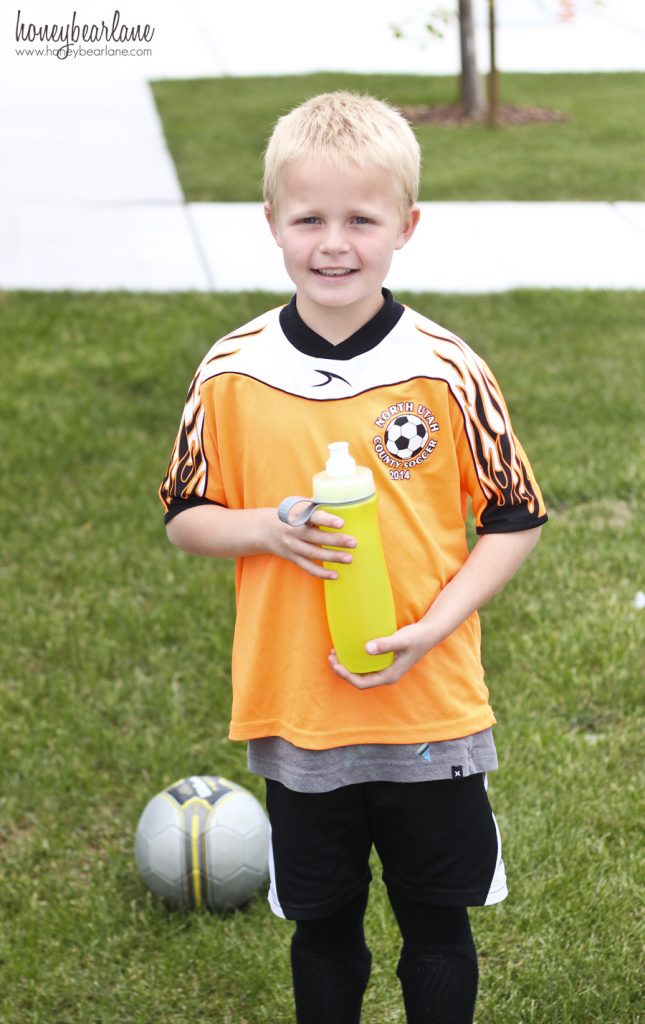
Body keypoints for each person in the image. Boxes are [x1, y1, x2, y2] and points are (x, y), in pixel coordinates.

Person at [159, 91, 547, 1024]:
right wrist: (265, 528)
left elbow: (516, 518)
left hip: (429, 703)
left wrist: (434, 628)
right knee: (323, 930)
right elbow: (184, 515)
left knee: (436, 927)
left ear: (405, 226)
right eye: (309, 219)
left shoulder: (445, 367)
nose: (333, 243)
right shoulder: (233, 371)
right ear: (271, 224)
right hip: (300, 711)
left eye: (360, 219)